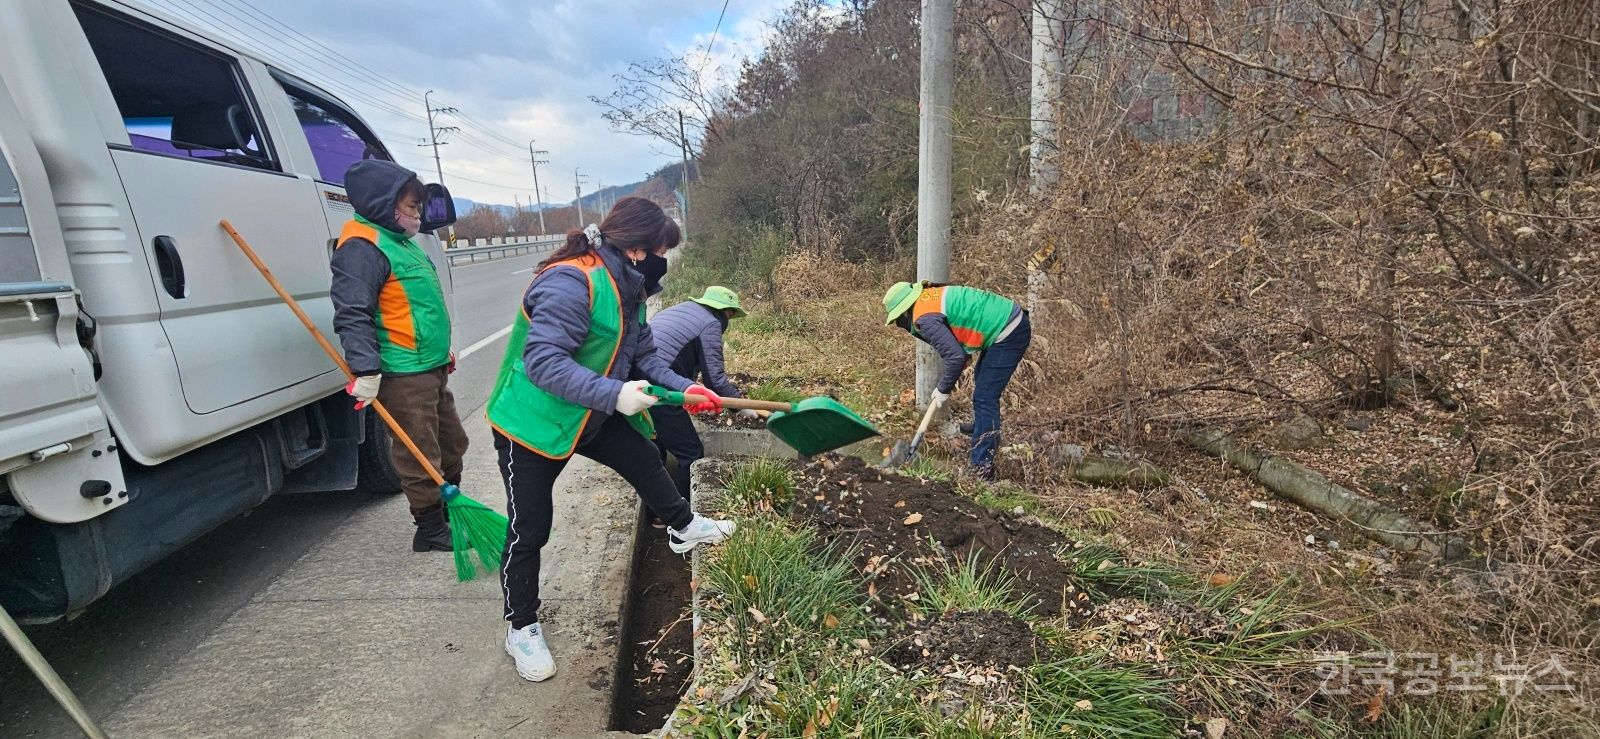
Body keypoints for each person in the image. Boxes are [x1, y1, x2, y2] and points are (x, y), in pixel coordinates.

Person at [486, 197, 736, 683]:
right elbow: (543, 363)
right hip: (534, 422)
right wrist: (614, 394)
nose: (665, 260)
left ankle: (684, 526)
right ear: (640, 250)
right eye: (663, 249)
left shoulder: (630, 290)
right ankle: (521, 626)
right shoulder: (570, 281)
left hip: (592, 411)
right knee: (530, 527)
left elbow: (646, 359)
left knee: (645, 458)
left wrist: (687, 389)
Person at [329, 160, 466, 553]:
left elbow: (419, 307)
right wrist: (366, 370)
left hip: (430, 366)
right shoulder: (361, 248)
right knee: (419, 451)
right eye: (411, 207)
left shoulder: (400, 242)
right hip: (402, 373)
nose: (417, 215)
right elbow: (352, 312)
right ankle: (431, 529)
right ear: (383, 204)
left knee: (452, 443)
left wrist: (442, 352)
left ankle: (453, 510)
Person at [882, 280, 1031, 480]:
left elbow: (955, 357)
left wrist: (943, 389)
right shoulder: (927, 298)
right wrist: (960, 357)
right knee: (982, 382)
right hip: (1004, 320)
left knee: (985, 397)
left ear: (903, 312)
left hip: (1009, 330)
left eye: (898, 320)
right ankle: (982, 426)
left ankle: (983, 467)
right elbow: (957, 341)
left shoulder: (924, 318)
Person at [648, 286, 753, 500]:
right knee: (690, 452)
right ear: (726, 311)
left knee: (655, 446)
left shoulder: (682, 310)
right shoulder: (711, 323)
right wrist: (743, 406)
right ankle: (682, 515)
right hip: (662, 385)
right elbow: (714, 379)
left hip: (639, 378)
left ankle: (658, 514)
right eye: (731, 315)